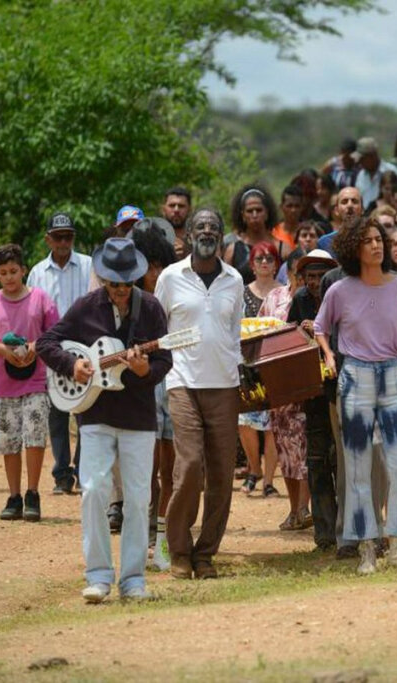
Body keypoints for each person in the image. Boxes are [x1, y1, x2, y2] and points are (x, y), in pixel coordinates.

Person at [38, 237, 172, 602]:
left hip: (139, 417)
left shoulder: (152, 309)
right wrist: (73, 365)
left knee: (138, 497)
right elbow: (46, 343)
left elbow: (166, 360)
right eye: (115, 284)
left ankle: (133, 580)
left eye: (127, 283)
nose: (121, 291)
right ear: (103, 278)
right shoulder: (85, 307)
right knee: (94, 491)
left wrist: (145, 369)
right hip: (94, 415)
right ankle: (98, 575)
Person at [314, 217, 397, 574]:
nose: (377, 246)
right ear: (354, 248)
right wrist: (330, 354)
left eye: (379, 239)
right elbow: (320, 327)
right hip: (356, 376)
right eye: (368, 241)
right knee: (358, 467)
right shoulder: (339, 290)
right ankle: (366, 548)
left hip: (396, 376)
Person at [155, 208, 243, 580]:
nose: (207, 232)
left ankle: (205, 554)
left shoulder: (235, 280)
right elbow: (158, 328)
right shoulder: (171, 278)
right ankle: (178, 550)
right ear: (189, 234)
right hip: (182, 382)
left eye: (214, 227)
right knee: (189, 466)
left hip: (225, 384)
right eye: (200, 227)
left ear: (222, 236)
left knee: (222, 475)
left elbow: (235, 331)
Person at [0, 244, 59, 521]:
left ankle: (32, 493)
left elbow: (54, 333)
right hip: (3, 384)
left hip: (36, 380)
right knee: (9, 440)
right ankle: (13, 496)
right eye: (3, 273)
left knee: (34, 437)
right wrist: (4, 351)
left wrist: (34, 348)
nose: (10, 277)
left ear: (24, 271)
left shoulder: (41, 299)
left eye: (14, 271)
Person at [26, 212, 92, 495]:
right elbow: (31, 313)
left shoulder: (90, 266)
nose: (64, 241)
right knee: (57, 414)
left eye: (68, 236)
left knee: (86, 411)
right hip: (52, 351)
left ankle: (83, 469)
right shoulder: (37, 272)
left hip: (85, 349)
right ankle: (61, 474)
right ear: (48, 239)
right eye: (58, 237)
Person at [127, 223, 179, 570]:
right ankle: (144, 534)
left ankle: (165, 537)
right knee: (145, 467)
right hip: (144, 384)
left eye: (159, 265)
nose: (155, 273)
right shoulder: (130, 302)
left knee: (171, 466)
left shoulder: (174, 289)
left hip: (172, 378)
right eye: (148, 266)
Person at [287, 249, 339, 550]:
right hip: (312, 389)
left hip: (339, 385)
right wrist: (302, 330)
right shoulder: (300, 301)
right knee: (317, 458)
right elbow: (287, 336)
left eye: (321, 276)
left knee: (340, 458)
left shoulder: (341, 295)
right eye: (311, 277)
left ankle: (346, 526)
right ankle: (324, 532)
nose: (317, 282)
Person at [260, 252, 311, 531]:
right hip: (279, 384)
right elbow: (259, 330)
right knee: (285, 449)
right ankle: (294, 509)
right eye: (297, 274)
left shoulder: (314, 299)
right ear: (288, 273)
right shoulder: (274, 298)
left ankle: (305, 508)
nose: (302, 280)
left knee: (307, 449)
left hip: (309, 382)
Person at [238, 242, 282, 497]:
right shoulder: (241, 292)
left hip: (276, 362)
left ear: (276, 263)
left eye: (269, 258)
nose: (264, 262)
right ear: (252, 265)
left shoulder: (284, 292)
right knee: (245, 421)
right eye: (259, 258)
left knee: (272, 423)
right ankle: (253, 469)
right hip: (246, 362)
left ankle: (268, 480)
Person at [224, 185, 288, 283]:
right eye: (249, 211)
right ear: (243, 216)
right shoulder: (233, 251)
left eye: (259, 210)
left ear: (267, 213)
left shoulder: (283, 249)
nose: (254, 215)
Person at [354, 137, 397, 208]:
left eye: (362, 159)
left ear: (372, 156)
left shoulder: (391, 171)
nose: (360, 162)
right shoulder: (361, 175)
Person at [161, 187, 192, 259]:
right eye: (172, 205)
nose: (176, 210)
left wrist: (187, 253)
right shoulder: (154, 237)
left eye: (181, 206)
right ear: (163, 209)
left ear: (190, 210)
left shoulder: (197, 238)